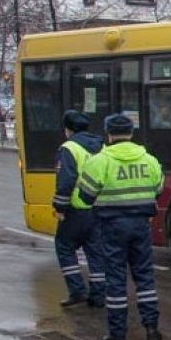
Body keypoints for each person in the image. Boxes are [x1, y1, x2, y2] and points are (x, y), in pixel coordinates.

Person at [78, 113, 165, 340]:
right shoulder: (149, 160)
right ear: (131, 132)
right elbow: (158, 189)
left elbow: (85, 196)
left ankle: (118, 333)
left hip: (112, 227)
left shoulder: (99, 161)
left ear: (108, 134)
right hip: (141, 226)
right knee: (144, 276)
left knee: (116, 278)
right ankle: (152, 329)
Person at [52, 110, 106, 308]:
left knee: (64, 247)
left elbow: (65, 181)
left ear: (68, 129)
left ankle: (77, 291)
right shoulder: (102, 146)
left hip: (76, 209)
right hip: (99, 208)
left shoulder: (69, 148)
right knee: (96, 251)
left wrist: (60, 207)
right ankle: (99, 294)